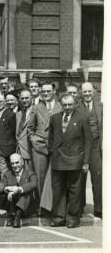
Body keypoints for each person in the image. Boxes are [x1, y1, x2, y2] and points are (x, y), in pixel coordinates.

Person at [49, 94, 92, 228]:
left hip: (75, 161)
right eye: (65, 105)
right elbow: (51, 138)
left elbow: (88, 140)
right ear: (61, 105)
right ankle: (59, 217)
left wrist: (85, 161)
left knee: (75, 191)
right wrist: (53, 153)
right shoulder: (54, 118)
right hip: (58, 161)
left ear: (74, 104)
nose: (67, 107)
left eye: (70, 104)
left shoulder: (82, 118)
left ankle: (73, 218)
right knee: (58, 190)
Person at [76, 82, 102, 218]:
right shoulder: (76, 106)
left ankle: (99, 208)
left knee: (98, 178)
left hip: (96, 147)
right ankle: (79, 207)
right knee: (80, 178)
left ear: (93, 92)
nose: (87, 94)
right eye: (84, 91)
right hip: (82, 147)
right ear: (81, 92)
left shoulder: (101, 106)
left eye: (89, 91)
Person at [3, 153, 39, 228]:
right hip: (12, 206)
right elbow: (3, 186)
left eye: (17, 162)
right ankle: (13, 215)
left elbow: (34, 184)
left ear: (22, 162)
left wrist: (19, 189)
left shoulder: (30, 173)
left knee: (26, 192)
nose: (15, 165)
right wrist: (10, 190)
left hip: (27, 208)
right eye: (12, 163)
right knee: (7, 194)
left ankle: (17, 217)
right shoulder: (7, 174)